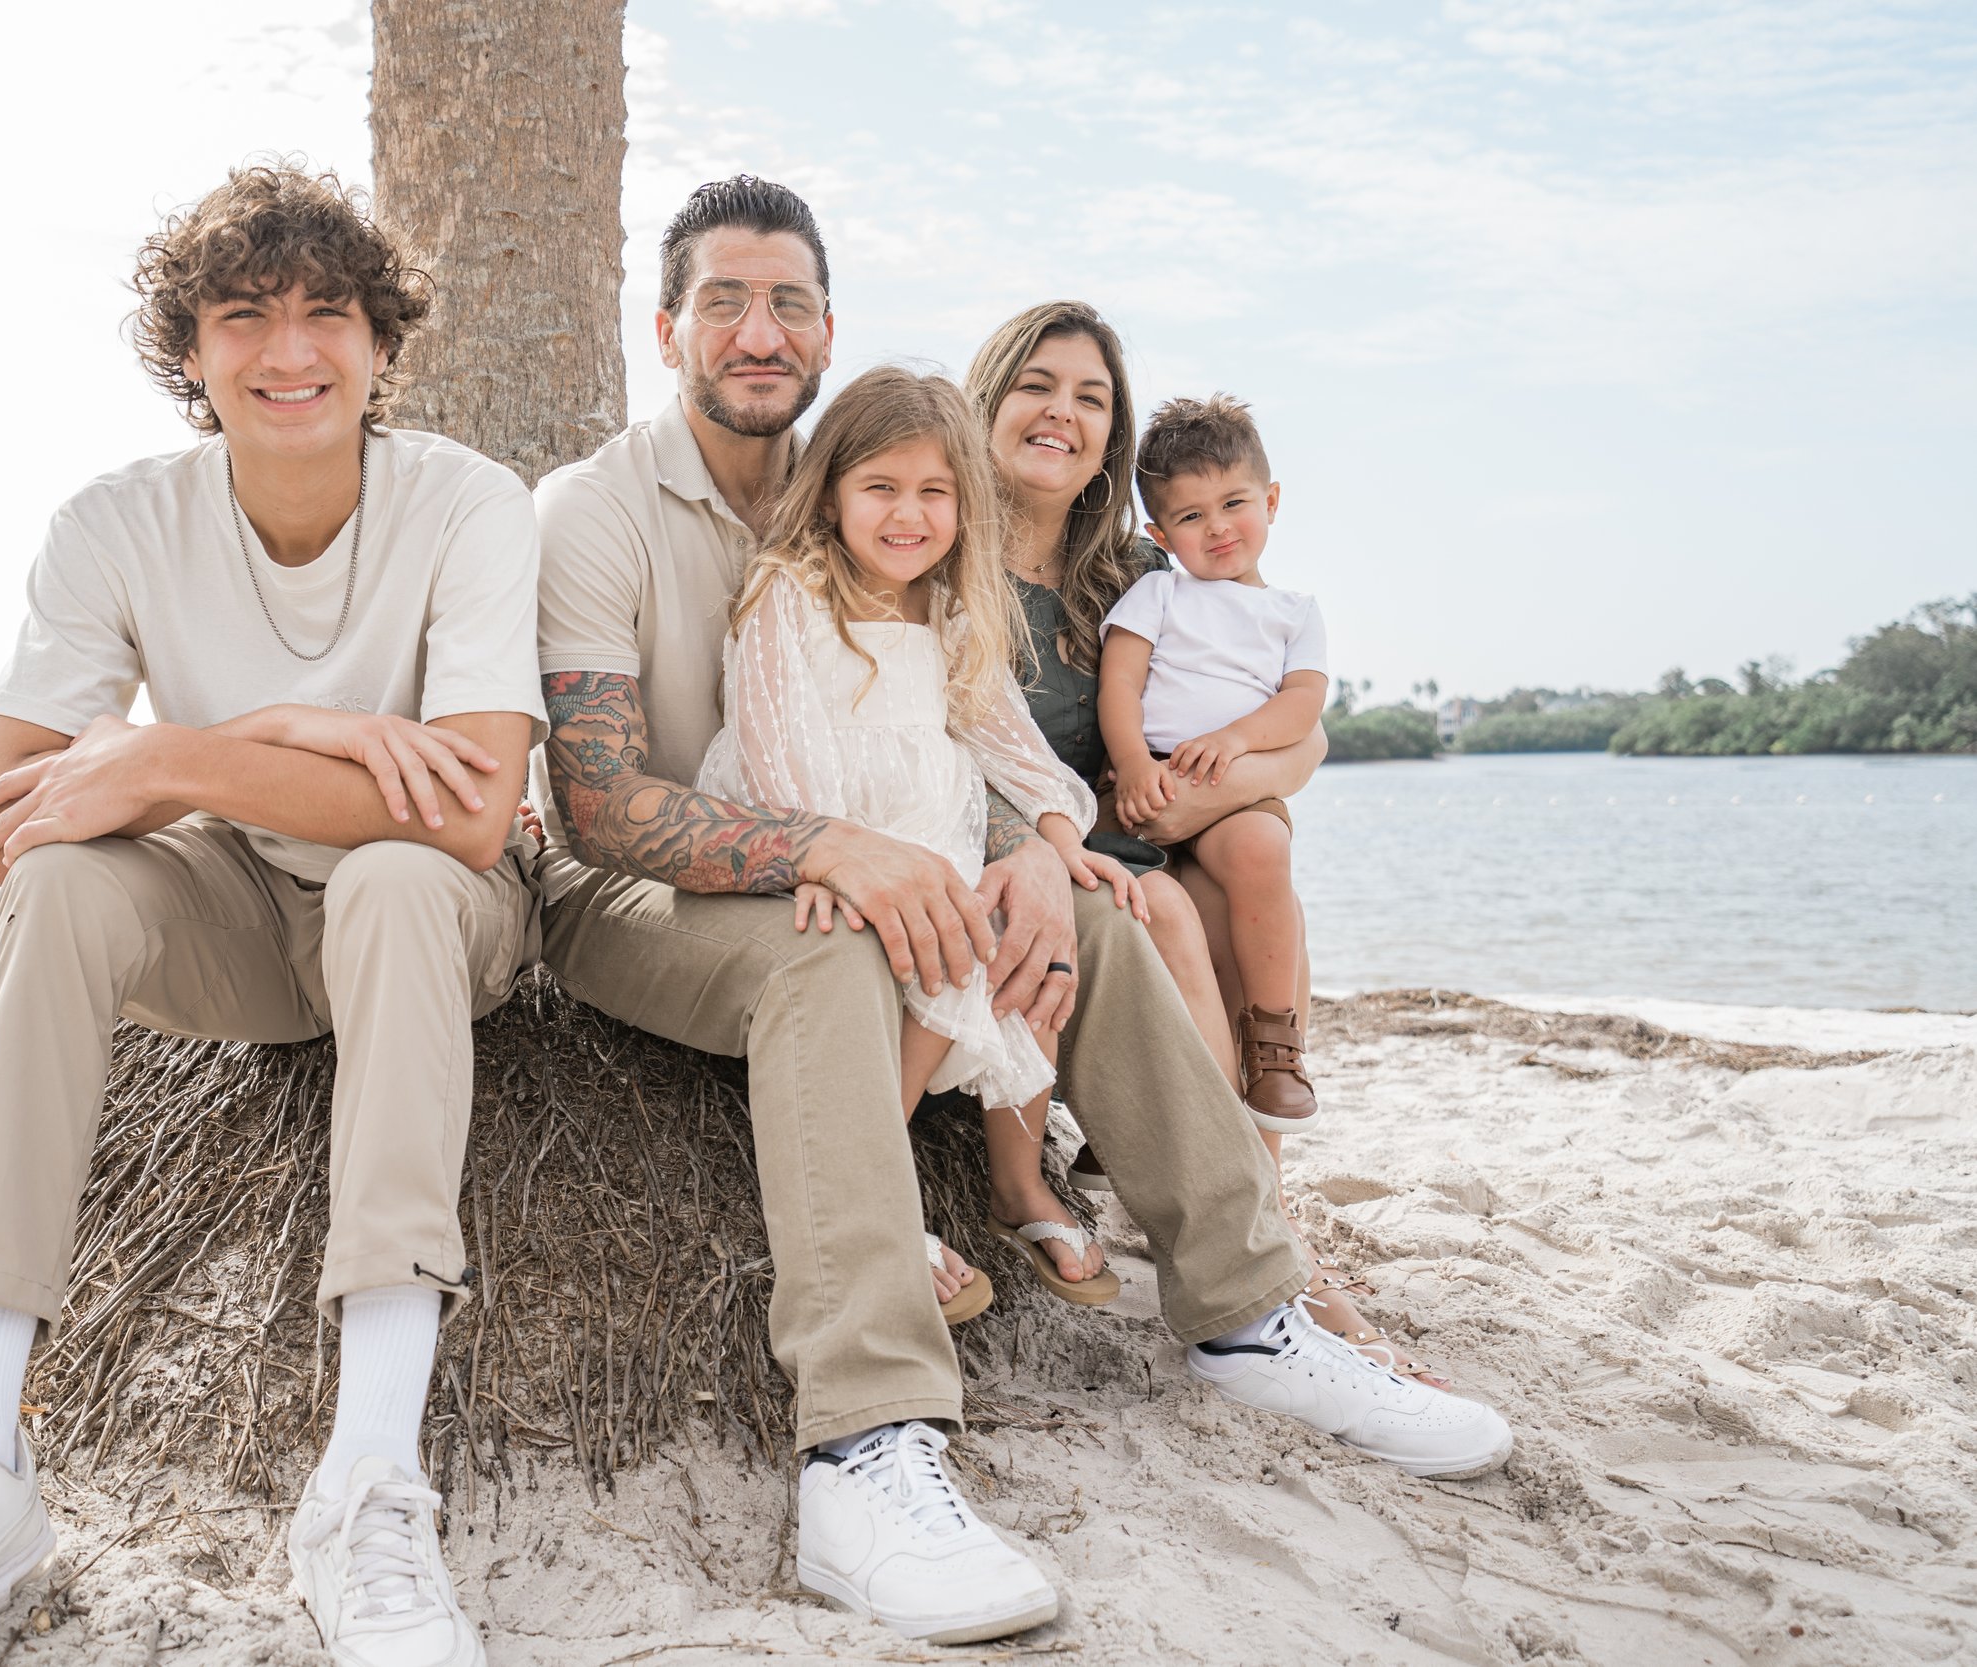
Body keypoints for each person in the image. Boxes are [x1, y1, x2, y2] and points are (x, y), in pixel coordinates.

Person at [532, 178, 1514, 1647]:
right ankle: (864, 1441)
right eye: (724, 299)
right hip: (642, 890)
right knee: (835, 957)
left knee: (1104, 921)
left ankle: (1251, 1309)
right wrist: (846, 852)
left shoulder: (883, 473)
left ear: (826, 327)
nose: (759, 327)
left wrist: (1046, 850)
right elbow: (602, 803)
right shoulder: (595, 507)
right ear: (667, 325)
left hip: (872, 849)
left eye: (789, 298)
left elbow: (964, 722)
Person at [0, 161, 540, 1667]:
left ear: (386, 346)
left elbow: (463, 811)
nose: (290, 348)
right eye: (243, 315)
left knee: (389, 876)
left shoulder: (468, 501)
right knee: (63, 882)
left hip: (441, 910)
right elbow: (6, 820)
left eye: (331, 313)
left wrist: (181, 750)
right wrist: (299, 731)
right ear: (189, 354)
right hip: (239, 907)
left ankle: (370, 1479)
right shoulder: (116, 523)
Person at [967, 301, 1452, 1386]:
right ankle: (1249, 1241)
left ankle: (1264, 1206)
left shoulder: (1139, 563)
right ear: (986, 399)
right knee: (1182, 911)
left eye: (1091, 397)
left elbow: (1303, 726)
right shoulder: (938, 546)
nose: (1062, 413)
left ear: (1114, 437)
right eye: (1037, 385)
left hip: (1147, 825)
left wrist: (1233, 788)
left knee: (1250, 877)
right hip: (1030, 836)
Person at [694, 366, 1142, 1320]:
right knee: (938, 950)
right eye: (882, 488)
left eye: (935, 492)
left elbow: (1000, 734)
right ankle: (877, 1185)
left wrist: (1061, 835)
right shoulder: (791, 589)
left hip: (932, 836)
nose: (910, 515)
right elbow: (773, 732)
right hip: (827, 831)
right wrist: (820, 849)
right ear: (832, 490)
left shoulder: (945, 605)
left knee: (1013, 939)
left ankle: (1019, 1182)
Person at [1103, 392, 1327, 1130]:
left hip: (1235, 785)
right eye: (1192, 516)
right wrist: (1134, 762)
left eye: (1234, 503)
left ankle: (1274, 1045)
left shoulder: (1294, 612)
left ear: (1271, 499)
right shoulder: (1158, 592)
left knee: (1264, 850)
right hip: (1155, 776)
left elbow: (1301, 708)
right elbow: (1121, 683)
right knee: (1170, 931)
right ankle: (1140, 1106)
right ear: (1158, 531)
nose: (1219, 527)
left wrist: (1235, 741)